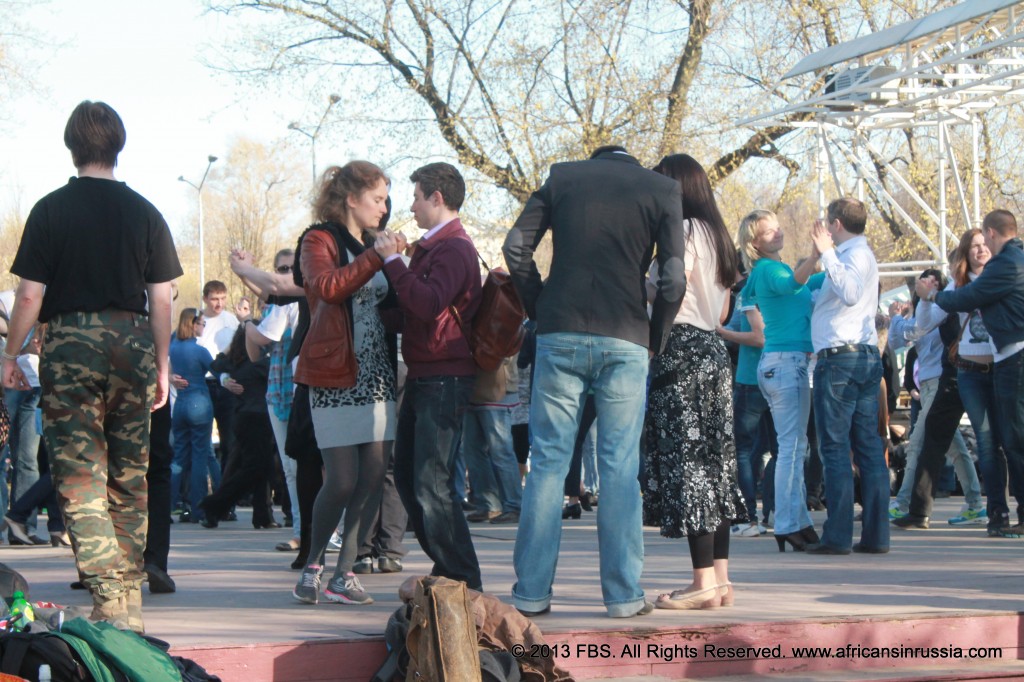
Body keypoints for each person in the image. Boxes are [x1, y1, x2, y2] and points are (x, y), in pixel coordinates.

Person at [1, 100, 179, 632]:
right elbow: (164, 299)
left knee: (80, 477)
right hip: (133, 339)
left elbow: (30, 296)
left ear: (71, 145)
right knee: (130, 475)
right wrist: (163, 364)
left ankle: (108, 598)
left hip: (71, 343)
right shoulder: (146, 211)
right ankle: (129, 600)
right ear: (118, 145)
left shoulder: (51, 209)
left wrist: (10, 355)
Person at [502, 145, 685, 618]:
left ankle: (532, 593)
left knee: (546, 462)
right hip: (625, 334)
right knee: (620, 467)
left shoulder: (562, 177)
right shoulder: (662, 189)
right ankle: (623, 597)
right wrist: (657, 334)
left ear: (596, 158)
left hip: (561, 329)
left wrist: (539, 305)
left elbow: (515, 246)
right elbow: (673, 279)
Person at [291, 161, 396, 606]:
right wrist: (377, 257)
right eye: (377, 199)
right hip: (334, 373)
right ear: (351, 199)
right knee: (341, 479)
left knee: (372, 477)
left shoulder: (376, 244)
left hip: (377, 373)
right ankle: (313, 563)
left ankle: (344, 573)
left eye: (387, 199)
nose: (385, 208)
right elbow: (327, 287)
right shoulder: (319, 239)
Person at [376, 162, 484, 590]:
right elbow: (413, 311)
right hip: (426, 373)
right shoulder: (434, 247)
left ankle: (461, 576)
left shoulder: (454, 248)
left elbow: (427, 304)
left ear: (437, 197)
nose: (412, 206)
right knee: (409, 477)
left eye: (417, 196)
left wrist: (392, 262)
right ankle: (449, 567)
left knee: (431, 482)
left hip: (445, 376)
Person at [642, 154, 742, 609]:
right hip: (713, 350)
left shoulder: (680, 233)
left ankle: (701, 582)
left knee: (689, 461)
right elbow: (722, 312)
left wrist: (647, 291)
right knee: (716, 463)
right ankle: (720, 579)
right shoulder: (719, 235)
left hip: (679, 348)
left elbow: (670, 287)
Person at [917, 210, 1024, 534]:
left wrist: (932, 294)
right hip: (976, 369)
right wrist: (931, 299)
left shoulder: (1006, 264)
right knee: (991, 441)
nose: (980, 248)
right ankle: (997, 514)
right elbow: (930, 321)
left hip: (1009, 360)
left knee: (1014, 440)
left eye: (983, 241)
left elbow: (972, 297)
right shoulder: (999, 266)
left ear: (992, 234)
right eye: (973, 245)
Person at [793, 197, 889, 555]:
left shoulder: (854, 255)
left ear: (835, 225)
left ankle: (838, 536)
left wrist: (826, 253)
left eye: (826, 223)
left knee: (834, 447)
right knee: (866, 446)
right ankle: (876, 535)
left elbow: (848, 294)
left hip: (842, 359)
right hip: (858, 357)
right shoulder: (858, 255)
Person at [736, 209, 817, 551]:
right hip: (786, 363)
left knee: (793, 448)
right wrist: (816, 255)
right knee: (791, 449)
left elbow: (804, 284)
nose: (778, 233)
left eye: (777, 227)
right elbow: (792, 284)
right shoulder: (770, 270)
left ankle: (798, 521)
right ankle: (787, 523)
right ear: (754, 243)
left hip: (779, 364)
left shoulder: (768, 270)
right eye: (768, 232)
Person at [887, 270, 983, 522]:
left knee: (917, 442)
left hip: (942, 380)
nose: (929, 285)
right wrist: (898, 319)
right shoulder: (923, 311)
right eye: (924, 281)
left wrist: (897, 318)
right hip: (929, 383)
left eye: (934, 282)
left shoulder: (941, 309)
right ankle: (974, 501)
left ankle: (903, 501)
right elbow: (898, 340)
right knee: (955, 447)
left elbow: (914, 331)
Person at [201, 325, 279, 529]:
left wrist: (229, 353)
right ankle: (215, 505)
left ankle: (261, 515)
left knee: (256, 467)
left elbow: (215, 364)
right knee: (256, 468)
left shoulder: (235, 362)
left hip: (243, 418)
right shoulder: (261, 363)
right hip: (258, 419)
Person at [169, 309, 216, 525]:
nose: (203, 327)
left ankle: (167, 507)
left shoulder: (174, 345)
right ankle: (199, 509)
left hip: (179, 405)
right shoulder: (199, 350)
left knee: (178, 457)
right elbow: (217, 371)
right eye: (202, 324)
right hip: (199, 403)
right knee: (200, 457)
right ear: (193, 324)